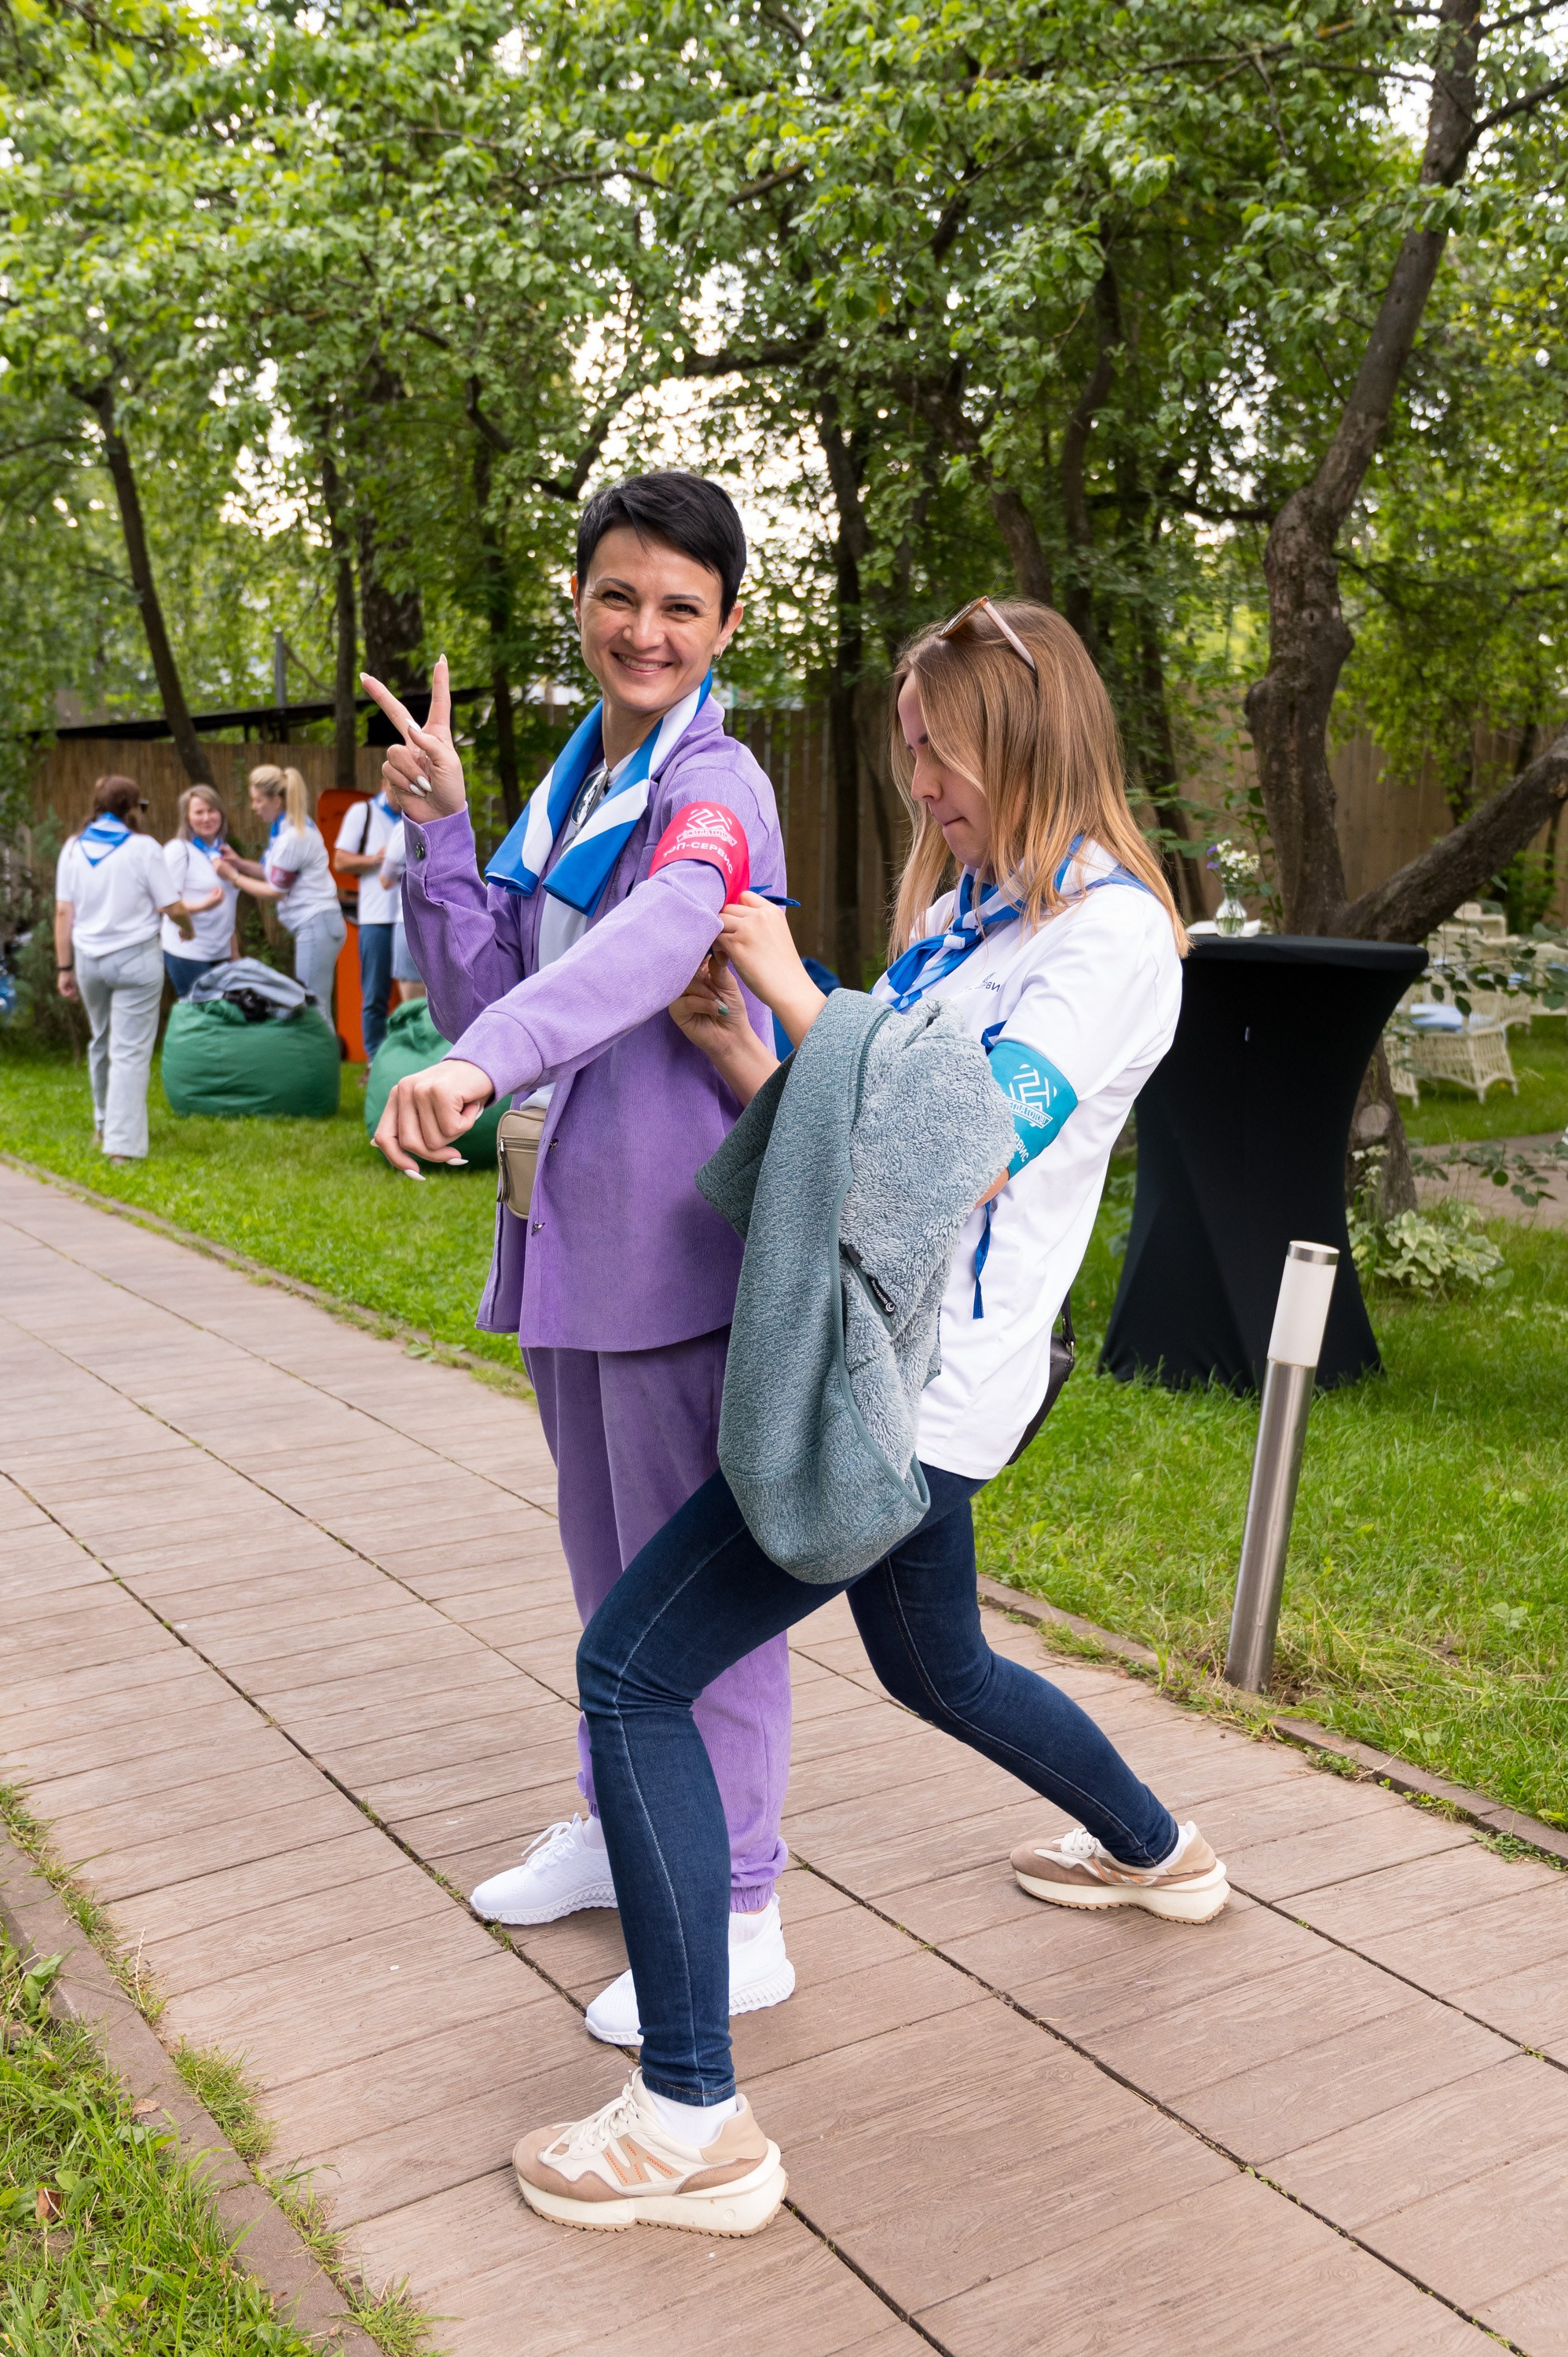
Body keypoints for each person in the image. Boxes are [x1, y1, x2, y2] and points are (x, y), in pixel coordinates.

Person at [504, 599, 1231, 2235]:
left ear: (1028, 744)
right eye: (909, 754)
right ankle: (1156, 1849)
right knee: (935, 1665)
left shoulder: (1108, 943)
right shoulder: (971, 919)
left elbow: (949, 1153)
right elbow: (851, 1130)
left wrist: (787, 979)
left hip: (903, 1399)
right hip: (883, 1368)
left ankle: (690, 2122)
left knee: (633, 1671)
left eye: (940, 755)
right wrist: (739, 1040)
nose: (920, 787)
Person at [362, 473, 797, 2043]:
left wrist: (477, 1064)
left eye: (681, 605)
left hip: (676, 1248)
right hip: (565, 1240)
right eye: (620, 595)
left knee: (697, 1602)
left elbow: (664, 932)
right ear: (579, 600)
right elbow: (490, 978)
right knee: (608, 1583)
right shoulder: (575, 784)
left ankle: (741, 1904)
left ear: (726, 626)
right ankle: (625, 1832)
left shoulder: (716, 785)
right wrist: (443, 827)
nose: (645, 629)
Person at [53, 774, 203, 1164]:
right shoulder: (143, 848)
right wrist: (188, 928)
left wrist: (64, 966)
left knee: (101, 1040)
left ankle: (103, 1124)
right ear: (132, 809)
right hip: (136, 959)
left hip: (88, 960)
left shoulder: (73, 848)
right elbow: (171, 905)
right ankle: (122, 1147)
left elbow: (63, 912)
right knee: (130, 1051)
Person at [217, 765, 346, 1020]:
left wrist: (234, 877)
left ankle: (321, 1048)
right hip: (318, 924)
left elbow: (275, 890)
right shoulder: (285, 830)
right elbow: (274, 874)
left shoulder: (293, 838)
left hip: (316, 923)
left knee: (313, 1007)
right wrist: (239, 863)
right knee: (313, 1005)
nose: (254, 807)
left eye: (258, 800)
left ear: (276, 801)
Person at [334, 787, 401, 1058]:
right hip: (376, 917)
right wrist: (376, 858)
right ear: (385, 784)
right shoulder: (363, 812)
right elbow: (340, 861)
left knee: (419, 995)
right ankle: (375, 1059)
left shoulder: (418, 814)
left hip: (411, 919)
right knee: (375, 995)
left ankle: (412, 1058)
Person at [162, 785, 240, 996]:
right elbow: (164, 904)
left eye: (212, 810)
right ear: (187, 818)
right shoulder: (179, 850)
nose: (207, 818)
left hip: (221, 953)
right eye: (199, 812)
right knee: (200, 1012)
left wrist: (234, 954)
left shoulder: (224, 853)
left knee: (223, 1012)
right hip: (189, 951)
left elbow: (229, 909)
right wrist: (204, 905)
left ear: (221, 814)